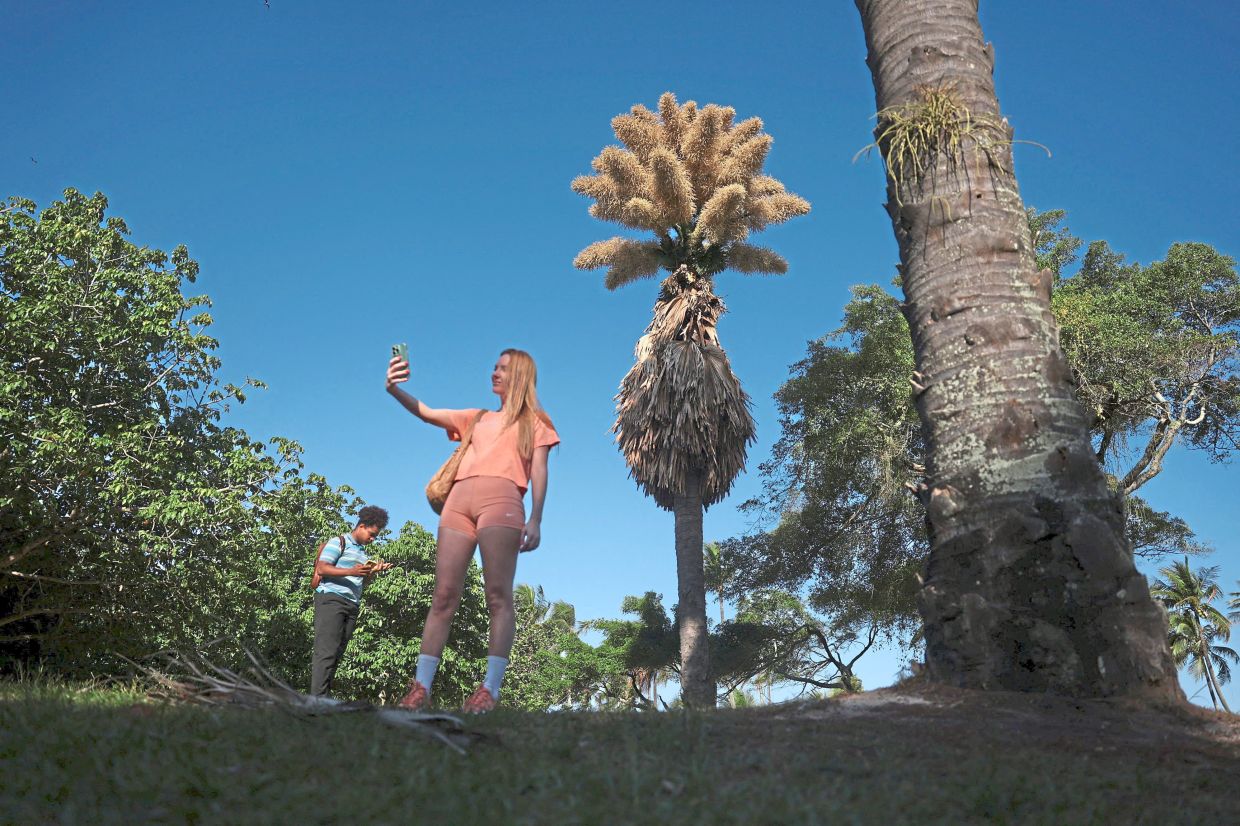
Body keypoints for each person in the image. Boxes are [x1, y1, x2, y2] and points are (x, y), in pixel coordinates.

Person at [385, 348, 559, 712]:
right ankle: (420, 687)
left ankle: (489, 691)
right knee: (443, 596)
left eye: (504, 368)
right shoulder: (476, 418)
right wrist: (394, 389)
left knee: (497, 595)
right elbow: (427, 412)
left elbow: (540, 471)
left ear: (521, 375)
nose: (494, 372)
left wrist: (537, 518)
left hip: (503, 501)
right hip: (457, 504)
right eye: (494, 367)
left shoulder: (536, 422)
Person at [310, 505, 393, 697]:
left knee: (336, 654)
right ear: (362, 526)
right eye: (372, 534)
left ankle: (324, 700)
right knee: (326, 652)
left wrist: (371, 572)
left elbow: (361, 582)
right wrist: (351, 571)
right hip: (331, 599)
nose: (373, 539)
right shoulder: (338, 542)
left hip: (352, 604)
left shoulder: (363, 553)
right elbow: (322, 568)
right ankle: (316, 703)